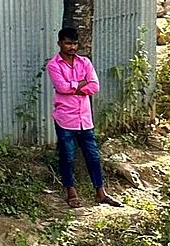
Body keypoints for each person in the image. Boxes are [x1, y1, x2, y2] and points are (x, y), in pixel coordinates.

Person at [45, 26, 121, 209]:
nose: (72, 47)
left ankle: (100, 193)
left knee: (93, 157)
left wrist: (73, 86)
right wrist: (81, 84)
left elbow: (94, 87)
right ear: (60, 44)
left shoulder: (85, 62)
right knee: (68, 157)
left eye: (74, 43)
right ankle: (71, 193)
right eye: (68, 43)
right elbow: (61, 88)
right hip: (65, 120)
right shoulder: (53, 65)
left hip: (85, 120)